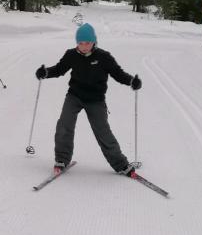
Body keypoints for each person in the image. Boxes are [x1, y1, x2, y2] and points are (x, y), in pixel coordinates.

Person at [35, 22, 142, 174]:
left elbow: (118, 74)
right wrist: (45, 72)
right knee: (64, 125)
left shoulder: (104, 57)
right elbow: (59, 69)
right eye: (80, 43)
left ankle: (121, 164)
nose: (84, 46)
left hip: (96, 99)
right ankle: (61, 159)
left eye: (87, 42)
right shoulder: (71, 55)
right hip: (75, 96)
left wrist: (132, 81)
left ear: (94, 42)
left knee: (102, 131)